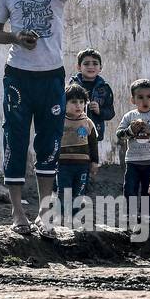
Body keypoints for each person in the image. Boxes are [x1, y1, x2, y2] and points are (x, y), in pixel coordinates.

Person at [0, 0, 102, 237]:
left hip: (51, 77)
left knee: (49, 142)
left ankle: (44, 212)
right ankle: (16, 211)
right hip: (18, 77)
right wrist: (16, 37)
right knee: (15, 139)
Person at [114, 78, 150, 221]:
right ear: (133, 100)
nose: (145, 101)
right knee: (129, 189)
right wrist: (131, 130)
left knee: (149, 189)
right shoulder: (130, 116)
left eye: (148, 97)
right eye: (140, 97)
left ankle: (146, 215)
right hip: (133, 161)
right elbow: (119, 134)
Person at [55, 84, 100, 222]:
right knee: (63, 191)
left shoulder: (87, 122)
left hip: (82, 165)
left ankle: (75, 217)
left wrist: (94, 162)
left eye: (81, 102)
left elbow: (93, 143)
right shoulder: (59, 121)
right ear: (65, 102)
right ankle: (62, 216)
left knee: (79, 192)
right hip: (63, 164)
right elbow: (53, 142)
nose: (78, 105)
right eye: (74, 102)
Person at [68, 48, 116, 160]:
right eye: (86, 63)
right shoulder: (72, 86)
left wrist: (100, 111)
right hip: (73, 130)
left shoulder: (104, 88)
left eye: (95, 63)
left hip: (94, 131)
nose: (91, 67)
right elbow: (64, 107)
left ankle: (89, 176)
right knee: (74, 159)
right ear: (79, 67)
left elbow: (110, 113)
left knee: (91, 160)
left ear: (100, 68)